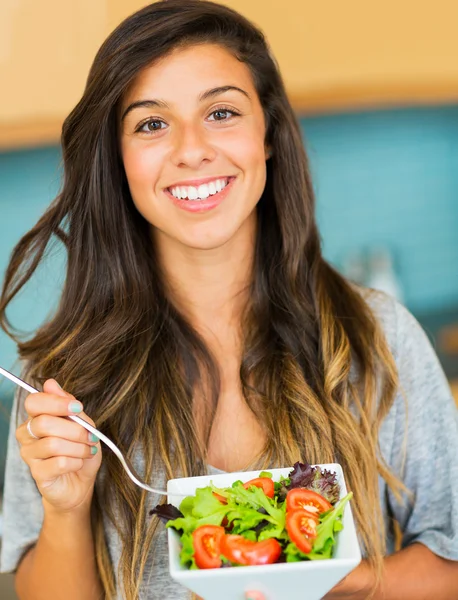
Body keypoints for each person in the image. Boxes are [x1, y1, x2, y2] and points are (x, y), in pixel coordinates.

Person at [0, 1, 457, 598]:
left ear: (266, 134)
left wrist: (325, 584)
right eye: (152, 124)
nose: (192, 150)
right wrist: (66, 506)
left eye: (220, 112)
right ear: (118, 157)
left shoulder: (376, 336)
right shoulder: (64, 382)